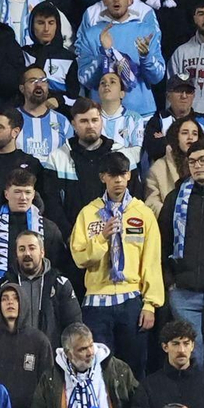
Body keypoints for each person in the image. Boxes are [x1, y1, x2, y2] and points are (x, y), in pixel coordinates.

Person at [70, 151, 165, 372]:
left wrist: (150, 304)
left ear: (130, 176)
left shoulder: (143, 213)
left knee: (133, 369)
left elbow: (151, 261)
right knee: (96, 369)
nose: (118, 180)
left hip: (130, 299)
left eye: (123, 174)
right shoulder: (88, 213)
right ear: (103, 177)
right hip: (96, 302)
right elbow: (80, 258)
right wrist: (102, 238)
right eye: (113, 175)